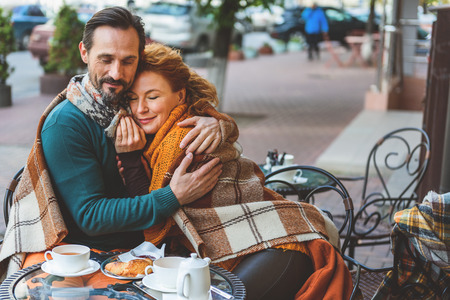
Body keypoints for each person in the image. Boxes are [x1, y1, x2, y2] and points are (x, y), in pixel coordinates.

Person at [0, 6, 232, 280]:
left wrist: (217, 122)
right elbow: (92, 216)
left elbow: (191, 95)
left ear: (139, 58)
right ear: (84, 53)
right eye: (106, 59)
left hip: (155, 246)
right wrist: (174, 196)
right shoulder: (66, 123)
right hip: (94, 257)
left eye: (127, 61)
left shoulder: (131, 100)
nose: (117, 73)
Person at [115, 42, 353, 300]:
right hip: (252, 245)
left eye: (152, 97)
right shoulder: (160, 136)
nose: (140, 109)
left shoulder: (182, 138)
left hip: (279, 247)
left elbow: (154, 220)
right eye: (132, 99)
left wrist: (129, 160)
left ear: (180, 96)